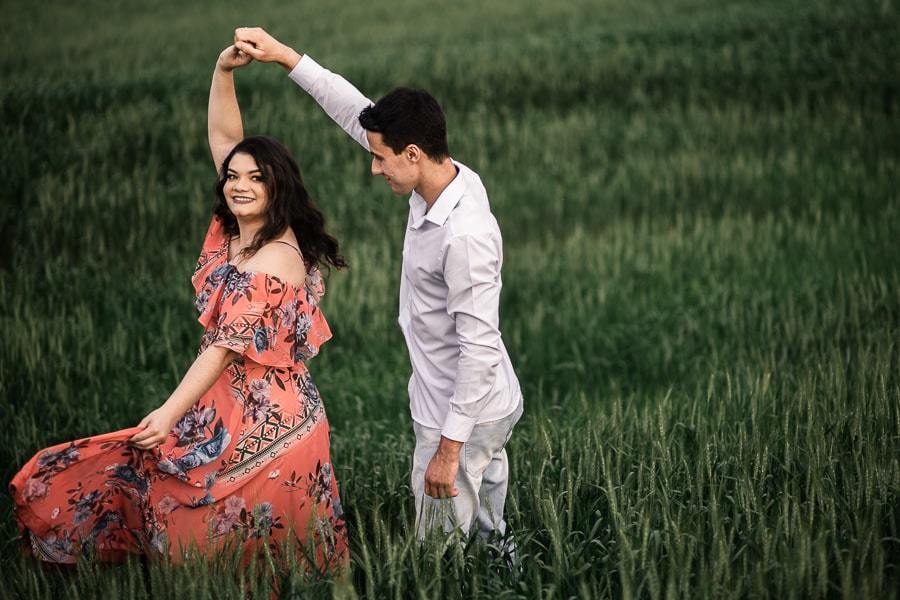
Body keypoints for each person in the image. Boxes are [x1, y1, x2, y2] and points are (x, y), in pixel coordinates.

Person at [8, 45, 348, 573]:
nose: (239, 185)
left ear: (278, 185)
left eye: (256, 178)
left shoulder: (276, 259)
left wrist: (169, 412)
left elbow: (225, 348)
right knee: (174, 494)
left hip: (273, 423)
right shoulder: (239, 228)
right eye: (234, 176)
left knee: (239, 539)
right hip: (224, 406)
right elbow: (224, 140)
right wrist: (222, 71)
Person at [231, 28, 524, 546]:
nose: (373, 167)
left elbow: (479, 347)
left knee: (437, 552)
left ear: (413, 154)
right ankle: (503, 569)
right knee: (487, 533)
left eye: (381, 157)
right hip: (474, 402)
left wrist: (448, 452)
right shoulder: (446, 177)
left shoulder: (464, 236)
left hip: (459, 413)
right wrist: (282, 56)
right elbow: (353, 110)